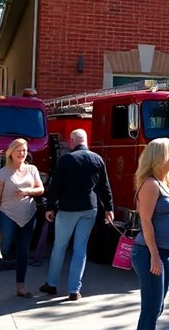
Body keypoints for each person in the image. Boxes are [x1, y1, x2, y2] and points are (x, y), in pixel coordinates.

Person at [41, 128, 114, 301]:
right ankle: (74, 289)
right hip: (90, 208)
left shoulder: (66, 159)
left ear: (73, 141)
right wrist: (109, 208)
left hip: (68, 208)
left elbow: (56, 185)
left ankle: (52, 284)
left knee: (60, 246)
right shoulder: (97, 159)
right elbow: (105, 186)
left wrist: (49, 207)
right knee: (80, 248)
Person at [0, 139, 44, 306]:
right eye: (18, 150)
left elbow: (41, 189)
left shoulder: (32, 169)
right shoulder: (2, 173)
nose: (22, 153)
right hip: (7, 215)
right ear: (11, 153)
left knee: (23, 252)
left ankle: (20, 287)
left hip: (28, 215)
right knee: (1, 251)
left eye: (24, 150)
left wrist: (28, 191)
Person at [132, 138, 169, 330]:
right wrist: (154, 256)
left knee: (157, 307)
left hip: (164, 252)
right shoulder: (150, 184)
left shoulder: (164, 182)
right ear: (159, 158)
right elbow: (145, 220)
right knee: (151, 309)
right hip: (150, 252)